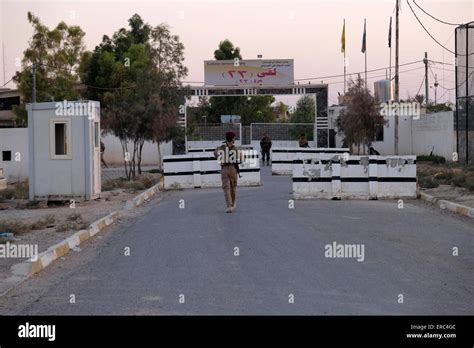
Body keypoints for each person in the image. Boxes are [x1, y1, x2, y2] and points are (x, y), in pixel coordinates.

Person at [214, 131, 240, 213]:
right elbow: (241, 158)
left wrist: (220, 159)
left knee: (227, 188)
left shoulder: (221, 147)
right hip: (232, 168)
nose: (235, 139)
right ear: (232, 139)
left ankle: (230, 205)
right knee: (232, 187)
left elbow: (215, 152)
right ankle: (231, 204)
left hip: (225, 168)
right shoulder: (235, 148)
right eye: (234, 138)